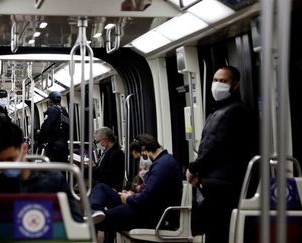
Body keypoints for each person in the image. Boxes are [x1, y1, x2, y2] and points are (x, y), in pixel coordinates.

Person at [186, 66, 257, 243]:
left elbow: (213, 146)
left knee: (218, 231)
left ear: (235, 85)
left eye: (223, 81)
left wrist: (193, 169)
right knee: (215, 231)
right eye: (215, 80)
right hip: (217, 181)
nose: (217, 85)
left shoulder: (232, 111)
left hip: (223, 184)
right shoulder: (220, 110)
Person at [89, 134, 182, 243]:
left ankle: (95, 214)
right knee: (101, 188)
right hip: (142, 208)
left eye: (142, 153)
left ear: (144, 148)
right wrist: (131, 195)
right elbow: (150, 193)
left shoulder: (162, 165)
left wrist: (128, 198)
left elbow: (146, 197)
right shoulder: (163, 163)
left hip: (147, 215)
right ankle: (94, 211)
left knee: (102, 219)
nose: (143, 156)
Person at [0, 122, 82, 222]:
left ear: (24, 149)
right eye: (0, 162)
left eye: (11, 159)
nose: (6, 166)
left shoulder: (54, 181)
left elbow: (75, 221)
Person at [38, 91, 70, 163]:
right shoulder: (64, 111)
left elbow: (46, 127)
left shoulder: (52, 110)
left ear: (50, 100)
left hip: (54, 146)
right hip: (64, 145)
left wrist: (40, 140)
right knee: (63, 167)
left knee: (54, 167)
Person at [92, 127, 125, 192]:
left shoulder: (117, 153)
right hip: (102, 185)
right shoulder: (106, 151)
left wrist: (91, 168)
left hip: (109, 188)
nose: (96, 144)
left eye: (97, 141)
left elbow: (108, 175)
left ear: (106, 140)